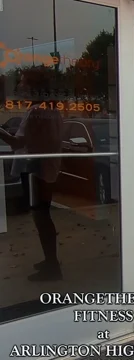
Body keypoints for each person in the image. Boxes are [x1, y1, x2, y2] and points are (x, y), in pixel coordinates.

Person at [0, 68, 63, 281]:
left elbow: (19, 143)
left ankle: (52, 265)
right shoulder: (52, 109)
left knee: (41, 215)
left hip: (36, 168)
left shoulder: (36, 111)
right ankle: (50, 260)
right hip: (45, 167)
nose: (19, 86)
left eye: (23, 82)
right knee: (43, 215)